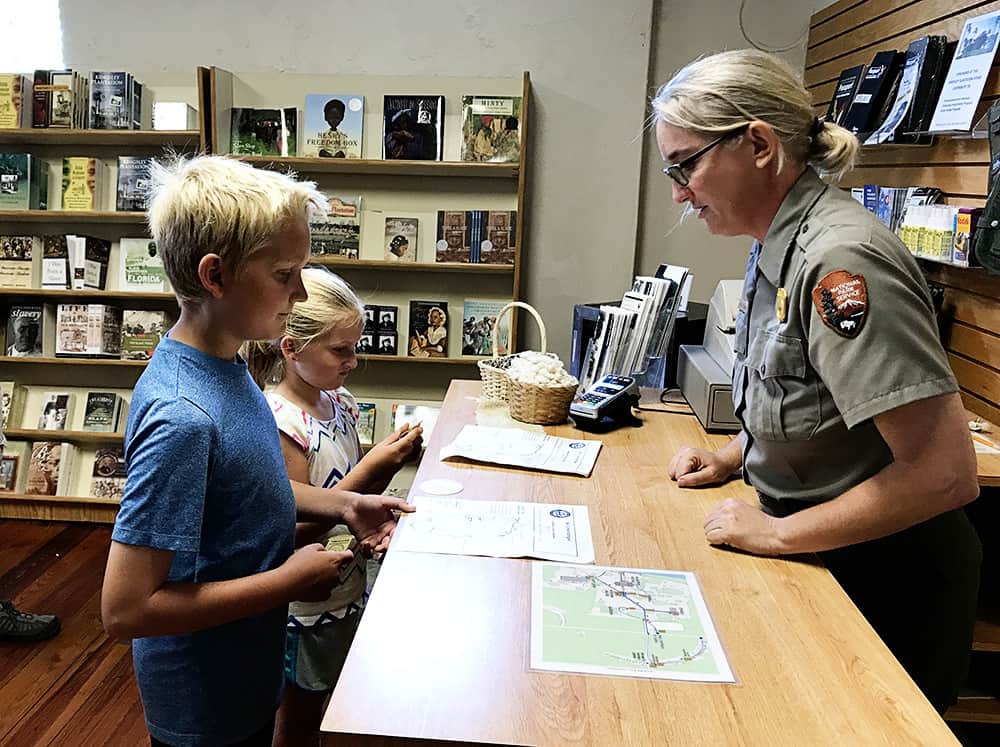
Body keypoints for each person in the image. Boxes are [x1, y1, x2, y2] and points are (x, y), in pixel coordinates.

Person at [656, 49, 981, 713]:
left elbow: (946, 473)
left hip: (884, 589)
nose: (678, 193)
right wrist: (730, 456)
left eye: (685, 165)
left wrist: (774, 531)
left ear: (758, 144)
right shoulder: (777, 238)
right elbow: (803, 398)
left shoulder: (838, 258)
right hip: (822, 559)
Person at [100, 155, 413, 747]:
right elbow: (125, 610)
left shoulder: (228, 365)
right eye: (285, 273)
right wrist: (285, 582)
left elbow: (244, 485)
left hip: (245, 669)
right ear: (214, 277)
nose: (299, 291)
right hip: (203, 701)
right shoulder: (182, 416)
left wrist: (340, 508)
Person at [244, 267, 422, 747]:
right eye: (339, 350)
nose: (352, 361)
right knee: (300, 718)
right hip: (305, 604)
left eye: (354, 347)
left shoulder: (339, 401)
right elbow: (290, 529)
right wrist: (375, 471)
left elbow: (347, 486)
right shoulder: (281, 422)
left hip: (347, 585)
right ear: (290, 348)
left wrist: (380, 480)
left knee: (334, 707)